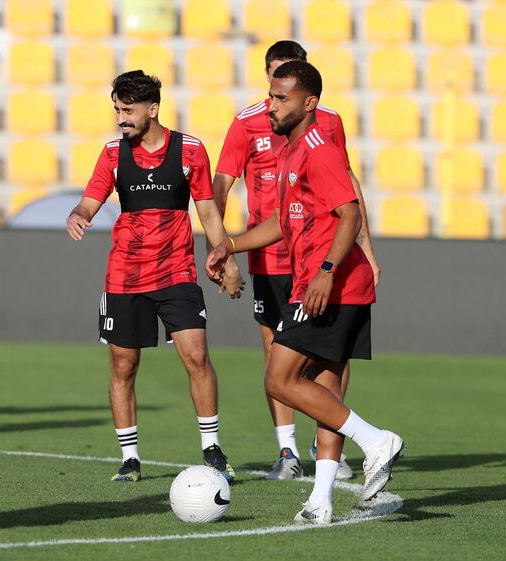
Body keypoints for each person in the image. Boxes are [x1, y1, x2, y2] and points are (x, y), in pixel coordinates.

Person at [206, 61, 404, 525]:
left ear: (309, 102)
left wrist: (327, 272)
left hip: (329, 286)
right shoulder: (290, 153)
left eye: (282, 98)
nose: (272, 106)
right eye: (271, 96)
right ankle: (320, 501)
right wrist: (229, 244)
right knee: (324, 390)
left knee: (278, 379)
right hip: (324, 284)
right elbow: (283, 222)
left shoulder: (319, 148)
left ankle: (377, 441)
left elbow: (349, 213)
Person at [66, 70, 243, 483]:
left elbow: (208, 212)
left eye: (127, 110)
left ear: (153, 109)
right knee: (123, 366)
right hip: (124, 276)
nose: (120, 118)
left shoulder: (191, 150)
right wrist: (78, 215)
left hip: (176, 272)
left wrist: (226, 257)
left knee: (197, 356)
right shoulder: (112, 153)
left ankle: (212, 450)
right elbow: (89, 203)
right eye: (117, 110)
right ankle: (130, 458)